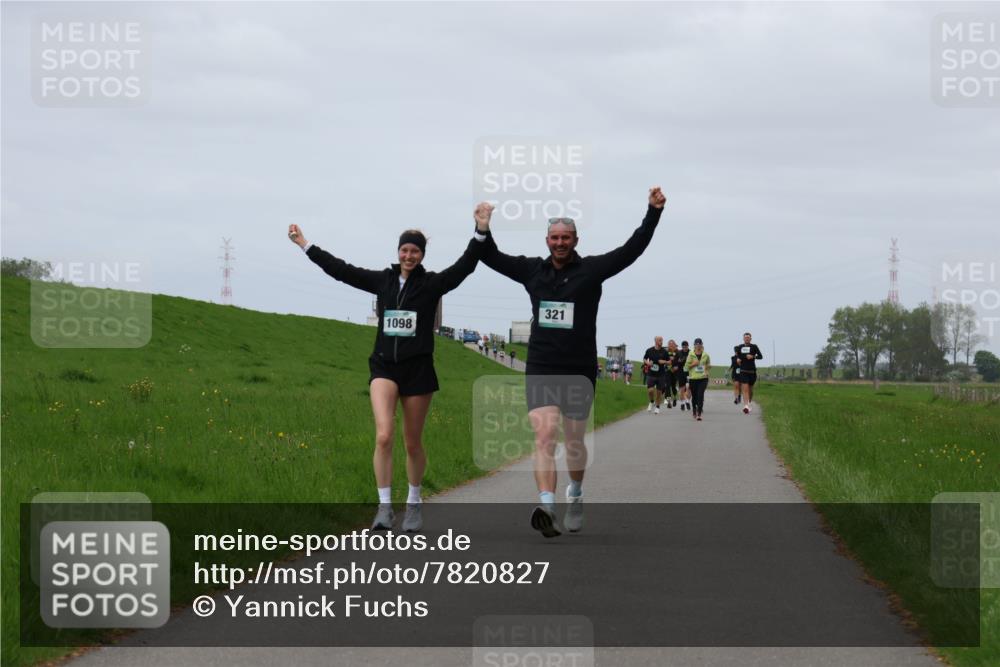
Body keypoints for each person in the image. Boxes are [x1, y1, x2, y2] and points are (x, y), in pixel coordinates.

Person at [478, 187, 667, 537]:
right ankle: (547, 505)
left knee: (575, 443)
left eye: (566, 237)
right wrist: (482, 228)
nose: (560, 243)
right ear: (546, 240)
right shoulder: (532, 271)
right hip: (542, 366)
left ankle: (575, 494)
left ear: (576, 239)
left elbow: (632, 250)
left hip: (579, 369)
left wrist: (652, 213)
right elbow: (490, 256)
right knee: (545, 434)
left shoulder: (592, 270)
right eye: (554, 237)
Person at [287, 213, 487, 532]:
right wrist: (304, 244)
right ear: (398, 252)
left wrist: (481, 231)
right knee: (383, 435)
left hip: (418, 371)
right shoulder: (383, 281)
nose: (409, 256)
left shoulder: (432, 284)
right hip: (383, 366)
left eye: (415, 251)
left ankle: (414, 503)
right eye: (404, 250)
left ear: (422, 255)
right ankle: (383, 507)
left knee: (412, 443)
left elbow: (465, 265)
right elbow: (341, 270)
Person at [735, 332, 764, 414]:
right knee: (745, 389)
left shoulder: (754, 347)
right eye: (745, 337)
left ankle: (749, 403)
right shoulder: (740, 347)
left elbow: (761, 356)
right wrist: (737, 359)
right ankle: (746, 406)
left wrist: (753, 356)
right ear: (743, 339)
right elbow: (737, 356)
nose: (747, 339)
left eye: (748, 337)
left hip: (752, 371)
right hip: (743, 371)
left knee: (750, 390)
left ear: (750, 339)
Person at [684, 338, 712, 421]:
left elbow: (708, 364)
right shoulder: (691, 354)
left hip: (703, 378)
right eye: (696, 344)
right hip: (693, 378)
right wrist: (693, 364)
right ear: (694, 345)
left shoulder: (706, 355)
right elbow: (686, 367)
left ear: (702, 344)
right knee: (695, 396)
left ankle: (699, 413)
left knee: (700, 395)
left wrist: (707, 369)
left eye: (699, 344)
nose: (698, 345)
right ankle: (694, 410)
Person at [643, 336, 670, 414]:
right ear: (655, 341)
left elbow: (669, 362)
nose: (661, 342)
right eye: (660, 340)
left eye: (662, 340)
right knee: (650, 391)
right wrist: (647, 363)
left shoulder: (664, 352)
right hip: (651, 374)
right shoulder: (649, 350)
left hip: (661, 375)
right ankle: (651, 401)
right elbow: (644, 359)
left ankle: (657, 407)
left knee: (659, 392)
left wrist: (664, 361)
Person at [674, 340, 691, 411]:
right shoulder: (678, 353)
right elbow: (674, 363)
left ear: (688, 346)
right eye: (683, 346)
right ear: (682, 347)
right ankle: (683, 403)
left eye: (686, 346)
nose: (685, 348)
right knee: (682, 389)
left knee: (689, 388)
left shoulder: (691, 353)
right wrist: (678, 362)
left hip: (689, 373)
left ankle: (687, 401)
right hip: (681, 373)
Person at [663, 339, 680, 408]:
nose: (671, 346)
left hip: (675, 372)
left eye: (672, 344)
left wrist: (677, 367)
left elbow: (681, 362)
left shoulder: (678, 352)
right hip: (667, 371)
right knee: (667, 386)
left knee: (673, 386)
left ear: (675, 345)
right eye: (669, 344)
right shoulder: (665, 352)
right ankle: (669, 401)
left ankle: (675, 397)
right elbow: (662, 360)